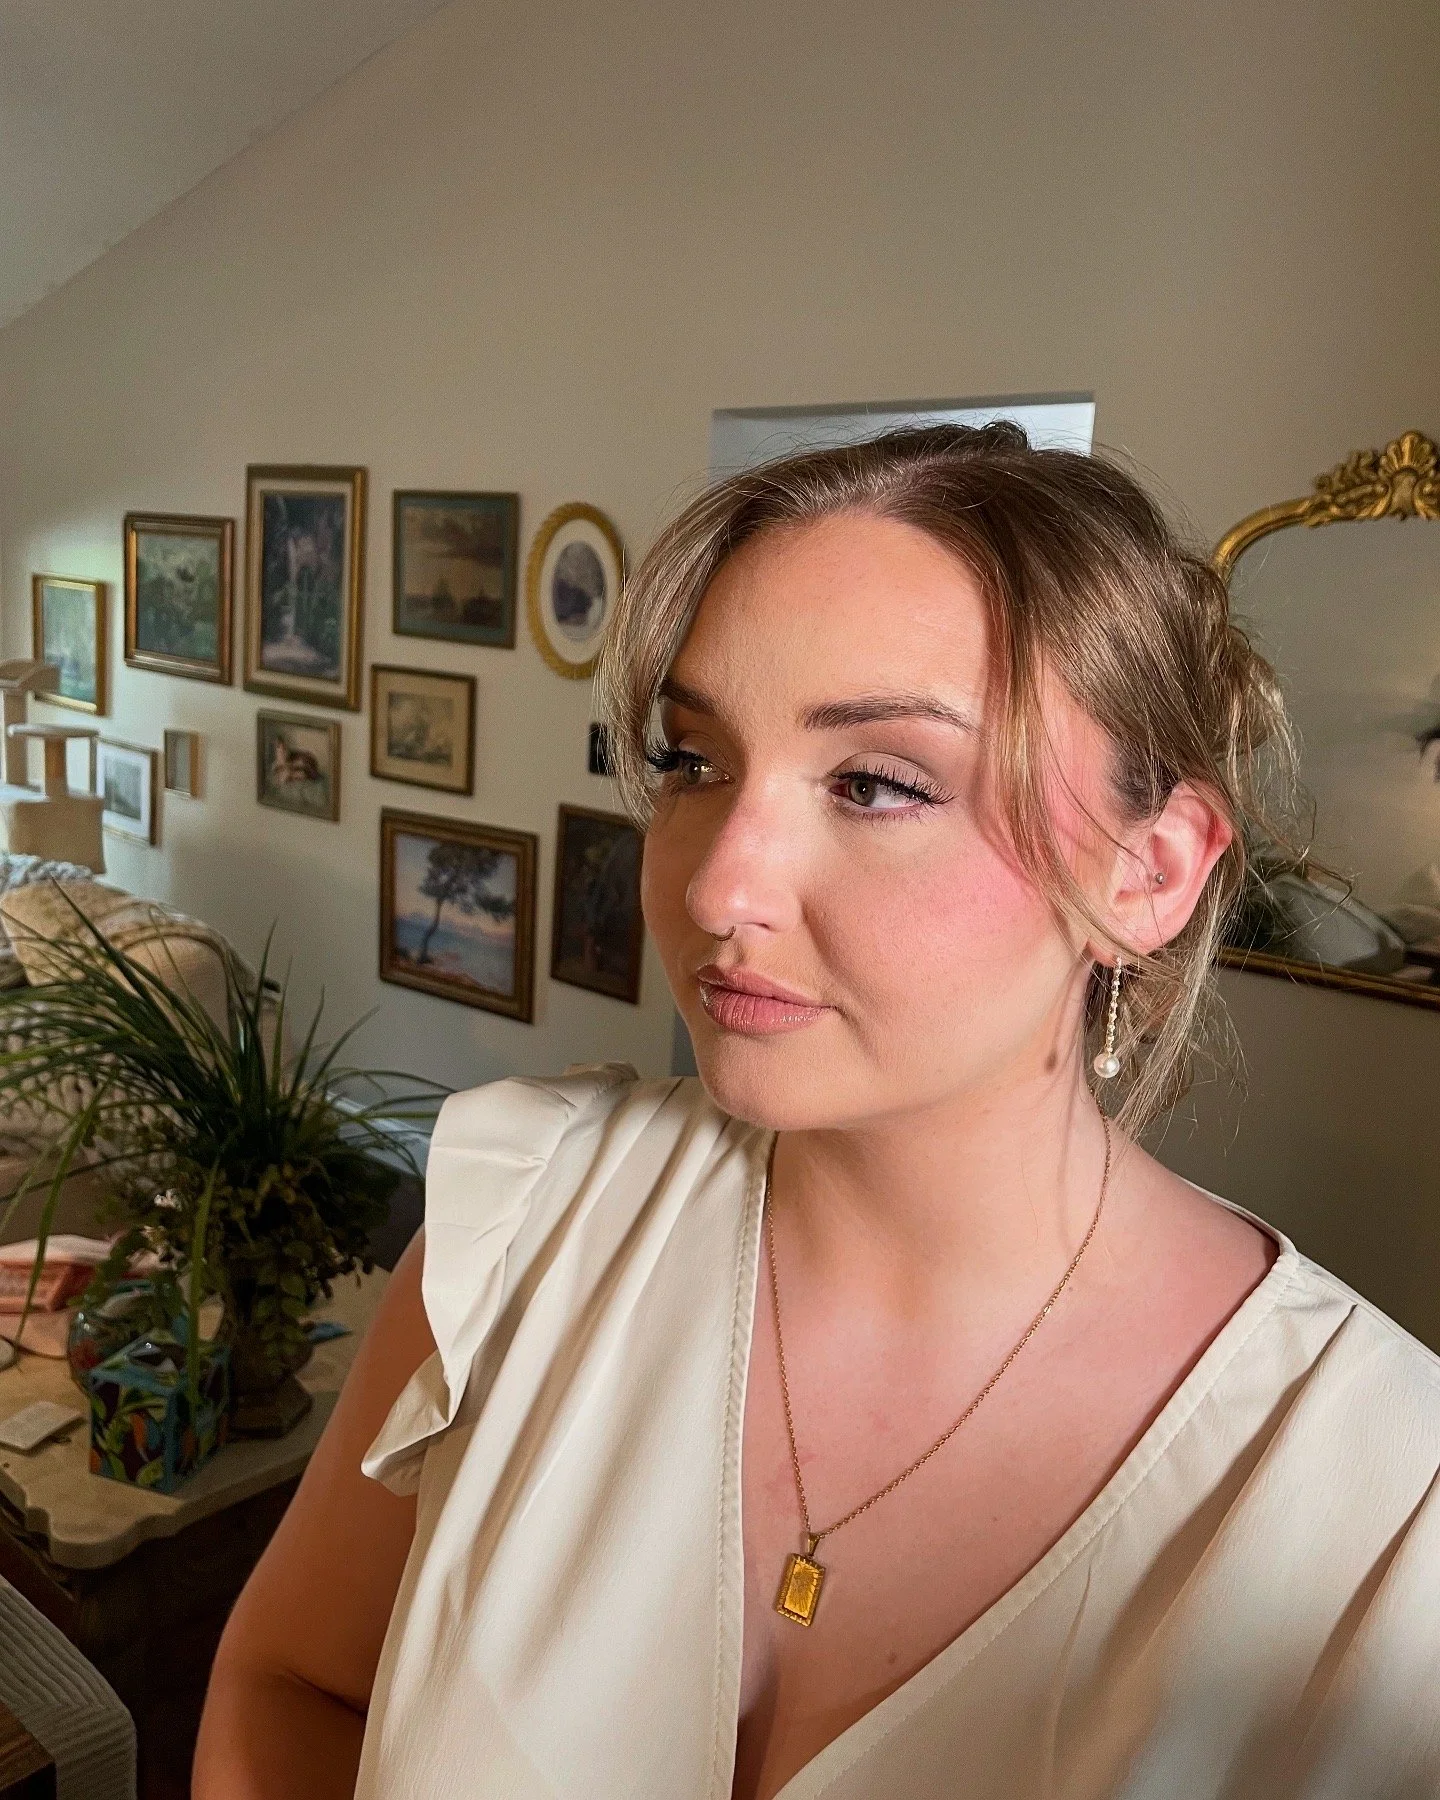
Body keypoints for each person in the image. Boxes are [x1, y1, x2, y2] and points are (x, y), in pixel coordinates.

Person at [194, 426, 1440, 1800]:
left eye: (876, 783)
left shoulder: (1385, 1509)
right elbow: (292, 1688)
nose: (722, 885)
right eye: (693, 760)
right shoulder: (528, 1213)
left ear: (1148, 873)